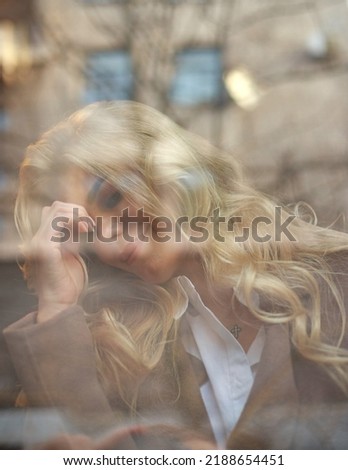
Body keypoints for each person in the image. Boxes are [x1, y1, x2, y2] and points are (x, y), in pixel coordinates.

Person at [3, 101, 348, 449]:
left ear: (168, 169)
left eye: (112, 197)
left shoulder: (335, 283)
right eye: (87, 232)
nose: (109, 248)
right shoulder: (121, 350)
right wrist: (57, 306)